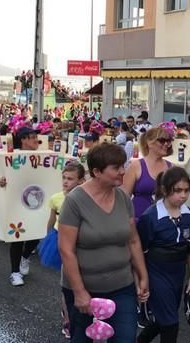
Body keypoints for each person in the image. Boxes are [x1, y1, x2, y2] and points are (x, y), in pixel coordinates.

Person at [59, 142, 149, 343]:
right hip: (86, 289)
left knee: (125, 338)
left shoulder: (124, 198)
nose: (123, 171)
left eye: (122, 166)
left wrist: (143, 275)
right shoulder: (74, 201)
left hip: (122, 286)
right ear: (97, 172)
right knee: (82, 339)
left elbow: (133, 240)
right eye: (116, 167)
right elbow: (66, 250)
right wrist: (79, 291)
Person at [136, 167, 190, 343]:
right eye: (177, 190)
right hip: (156, 273)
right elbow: (139, 251)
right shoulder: (150, 217)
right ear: (165, 190)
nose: (183, 195)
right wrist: (142, 280)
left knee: (164, 317)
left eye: (186, 190)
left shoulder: (189, 215)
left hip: (177, 273)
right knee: (170, 323)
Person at [36, 162, 85, 339]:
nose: (65, 182)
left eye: (70, 178)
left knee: (81, 278)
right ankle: (67, 317)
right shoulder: (57, 198)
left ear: (81, 181)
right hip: (59, 238)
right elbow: (51, 220)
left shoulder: (85, 198)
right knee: (67, 281)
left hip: (79, 241)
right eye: (64, 178)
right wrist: (48, 238)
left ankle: (81, 312)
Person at [0, 126, 43, 286]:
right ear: (23, 139)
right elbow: (1, 175)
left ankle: (25, 256)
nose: (36, 140)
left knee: (37, 233)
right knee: (17, 236)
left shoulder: (44, 157)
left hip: (37, 201)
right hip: (17, 202)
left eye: (36, 137)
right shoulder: (12, 156)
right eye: (31, 137)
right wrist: (1, 181)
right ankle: (15, 272)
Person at [122, 126, 173, 221]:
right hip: (139, 220)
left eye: (168, 141)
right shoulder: (136, 166)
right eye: (162, 140)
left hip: (164, 221)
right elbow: (124, 199)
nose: (166, 144)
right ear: (150, 142)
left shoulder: (171, 167)